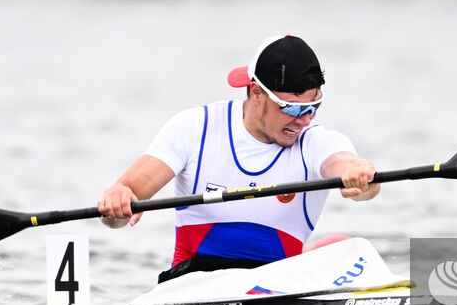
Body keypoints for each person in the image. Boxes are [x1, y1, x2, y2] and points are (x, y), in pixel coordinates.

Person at [98, 34, 378, 282]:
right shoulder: (195, 128)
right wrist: (118, 201)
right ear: (256, 93)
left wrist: (361, 176)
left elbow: (348, 168)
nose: (304, 121)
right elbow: (124, 203)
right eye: (292, 109)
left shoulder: (316, 141)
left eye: (314, 107)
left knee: (342, 247)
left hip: (278, 294)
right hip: (191, 288)